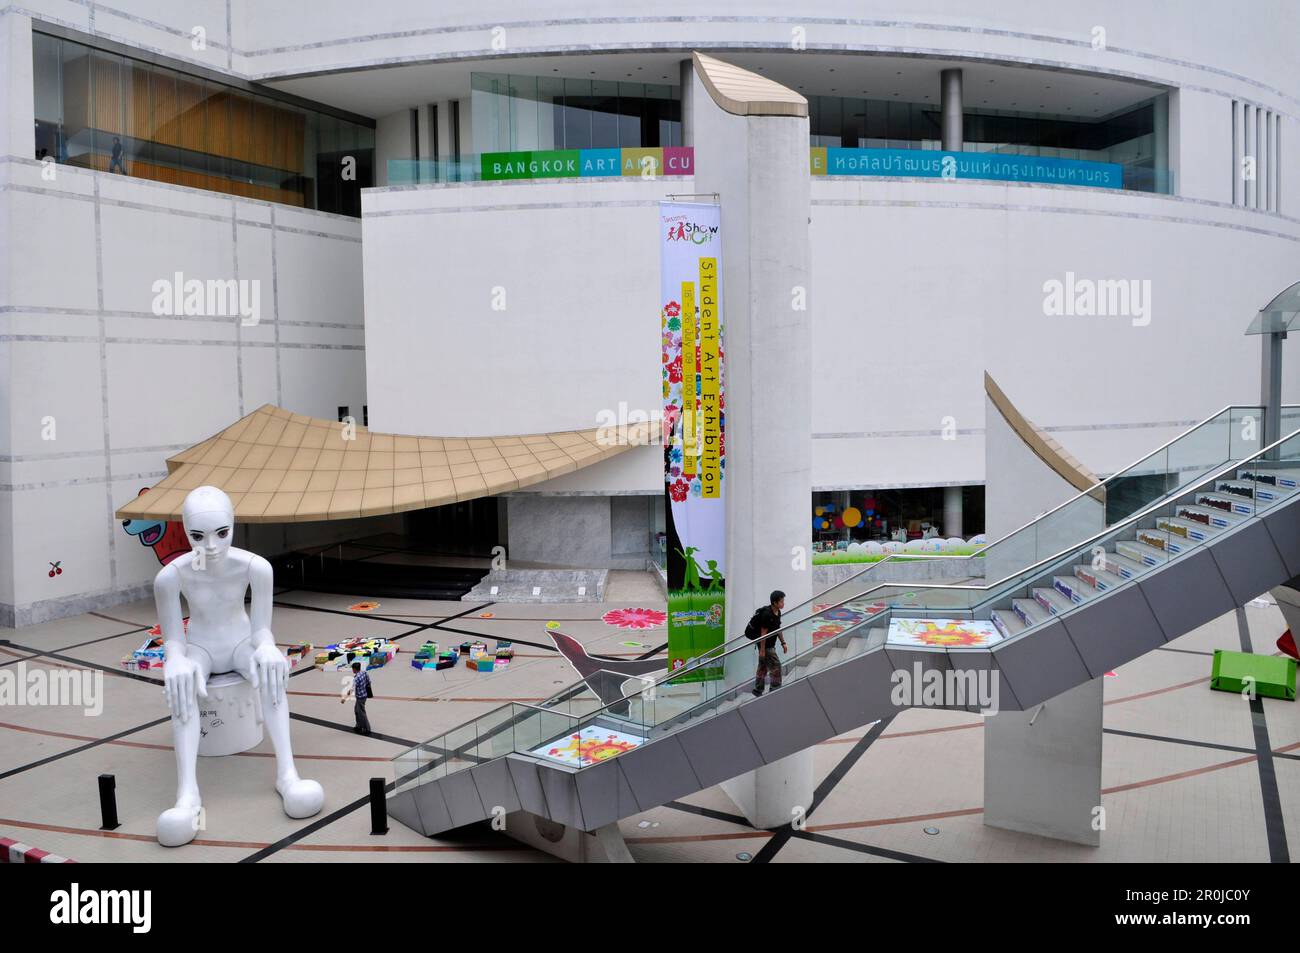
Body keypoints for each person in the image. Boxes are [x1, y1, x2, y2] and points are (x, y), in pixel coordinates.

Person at [750, 589, 787, 697]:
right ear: (775, 602)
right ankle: (775, 689)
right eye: (781, 601)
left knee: (763, 667)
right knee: (776, 666)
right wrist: (762, 650)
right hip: (766, 645)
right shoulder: (767, 614)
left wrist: (783, 643)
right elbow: (763, 633)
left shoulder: (777, 612)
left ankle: (757, 690)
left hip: (771, 644)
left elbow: (777, 629)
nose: (783, 603)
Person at [341, 660, 374, 735]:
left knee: (361, 713)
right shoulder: (364, 673)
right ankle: (358, 726)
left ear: (355, 669)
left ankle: (367, 729)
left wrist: (344, 698)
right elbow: (369, 681)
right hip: (364, 695)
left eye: (352, 669)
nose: (352, 670)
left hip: (360, 697)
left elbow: (351, 689)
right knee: (357, 711)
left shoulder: (356, 678)